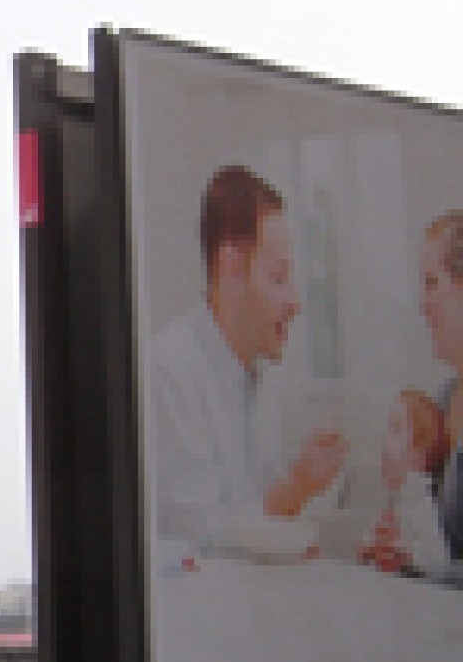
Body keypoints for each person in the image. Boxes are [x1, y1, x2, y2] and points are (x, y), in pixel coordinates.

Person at [146, 163, 348, 552]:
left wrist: (303, 486)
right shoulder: (169, 372)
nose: (296, 302)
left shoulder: (260, 378)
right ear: (232, 267)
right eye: (278, 277)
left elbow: (263, 516)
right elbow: (203, 542)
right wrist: (297, 485)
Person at [366, 213, 463, 580]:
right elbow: (431, 538)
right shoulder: (442, 401)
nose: (423, 305)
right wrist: (392, 550)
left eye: (431, 283)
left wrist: (425, 569)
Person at [360, 387, 449, 575]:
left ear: (419, 454)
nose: (385, 438)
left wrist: (404, 552)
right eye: (388, 428)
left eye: (396, 429)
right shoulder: (397, 498)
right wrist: (369, 547)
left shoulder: (420, 502)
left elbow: (439, 560)